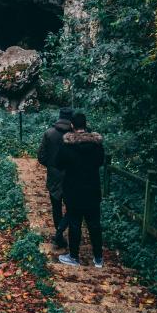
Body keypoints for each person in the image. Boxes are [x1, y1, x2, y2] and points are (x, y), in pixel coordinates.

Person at [55, 111, 105, 268]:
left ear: (72, 126)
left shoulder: (67, 145)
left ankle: (74, 257)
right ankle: (98, 258)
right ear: (85, 125)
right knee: (94, 224)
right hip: (92, 190)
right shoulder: (97, 146)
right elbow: (100, 162)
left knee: (75, 223)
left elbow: (58, 163)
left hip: (73, 190)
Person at [37, 106, 73, 248]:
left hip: (54, 176)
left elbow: (41, 156)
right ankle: (63, 230)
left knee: (56, 206)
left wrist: (52, 166)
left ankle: (59, 234)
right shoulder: (75, 135)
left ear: (59, 116)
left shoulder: (49, 133)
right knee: (73, 207)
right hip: (72, 175)